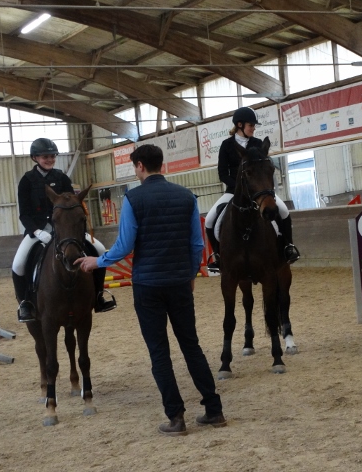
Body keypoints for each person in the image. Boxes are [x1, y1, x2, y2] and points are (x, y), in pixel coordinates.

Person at [75, 144, 226, 436]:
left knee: (159, 353)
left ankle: (176, 417)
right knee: (191, 346)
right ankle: (214, 409)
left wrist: (98, 261)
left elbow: (125, 246)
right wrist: (190, 274)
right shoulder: (187, 196)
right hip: (180, 283)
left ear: (140, 166)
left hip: (148, 286)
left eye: (135, 166)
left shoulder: (133, 199)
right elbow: (196, 243)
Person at [12, 138, 116, 323]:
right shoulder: (26, 181)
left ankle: (99, 295)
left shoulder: (62, 178)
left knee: (100, 250)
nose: (50, 159)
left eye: (52, 156)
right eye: (45, 156)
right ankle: (26, 302)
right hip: (38, 231)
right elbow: (24, 214)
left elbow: (74, 204)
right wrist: (37, 231)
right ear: (35, 157)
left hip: (67, 230)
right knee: (18, 264)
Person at [204, 106, 300, 272]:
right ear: (240, 125)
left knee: (284, 212)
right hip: (234, 192)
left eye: (254, 126)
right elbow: (222, 173)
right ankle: (218, 255)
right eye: (251, 125)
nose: (253, 128)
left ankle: (288, 247)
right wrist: (238, 187)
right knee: (210, 220)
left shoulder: (257, 144)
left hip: (259, 192)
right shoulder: (227, 145)